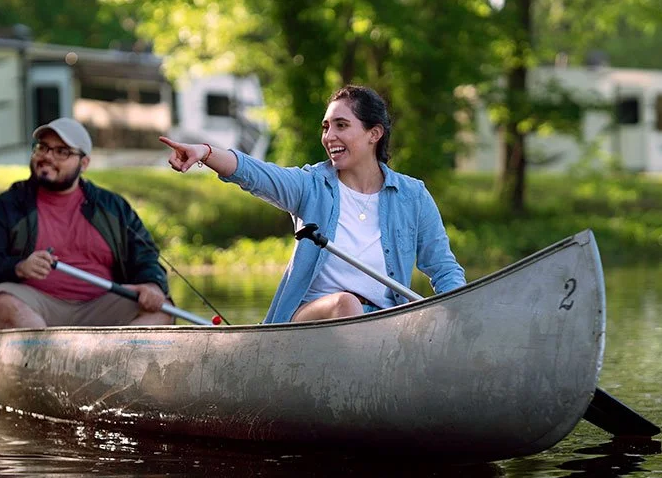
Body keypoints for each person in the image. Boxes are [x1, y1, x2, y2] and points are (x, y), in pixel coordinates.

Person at [159, 84, 465, 324]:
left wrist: (459, 315)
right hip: (309, 323)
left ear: (374, 134)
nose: (329, 136)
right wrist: (206, 152)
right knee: (346, 303)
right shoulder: (312, 186)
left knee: (419, 310)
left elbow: (444, 270)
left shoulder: (413, 196)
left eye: (341, 125)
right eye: (326, 127)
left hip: (384, 322)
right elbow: (255, 173)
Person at [0, 117, 172, 342]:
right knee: (4, 303)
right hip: (34, 307)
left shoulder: (113, 208)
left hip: (100, 308)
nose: (47, 156)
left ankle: (113, 362)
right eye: (43, 148)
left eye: (62, 152)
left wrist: (151, 284)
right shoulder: (6, 207)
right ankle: (47, 360)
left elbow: (146, 257)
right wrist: (17, 268)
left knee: (162, 309)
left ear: (83, 163)